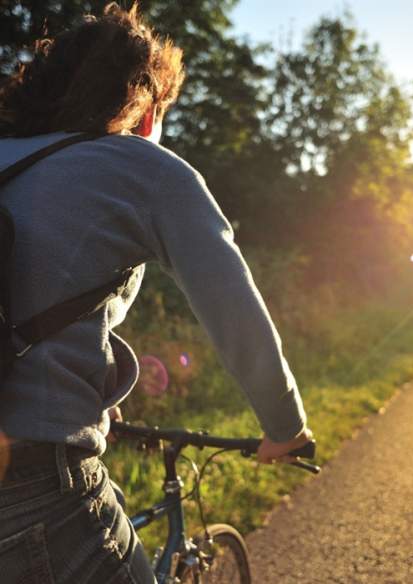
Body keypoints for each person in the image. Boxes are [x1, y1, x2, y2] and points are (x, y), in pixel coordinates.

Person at [0, 3, 312, 582]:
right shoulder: (145, 167)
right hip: (34, 490)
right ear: (145, 110)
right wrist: (285, 428)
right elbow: (233, 308)